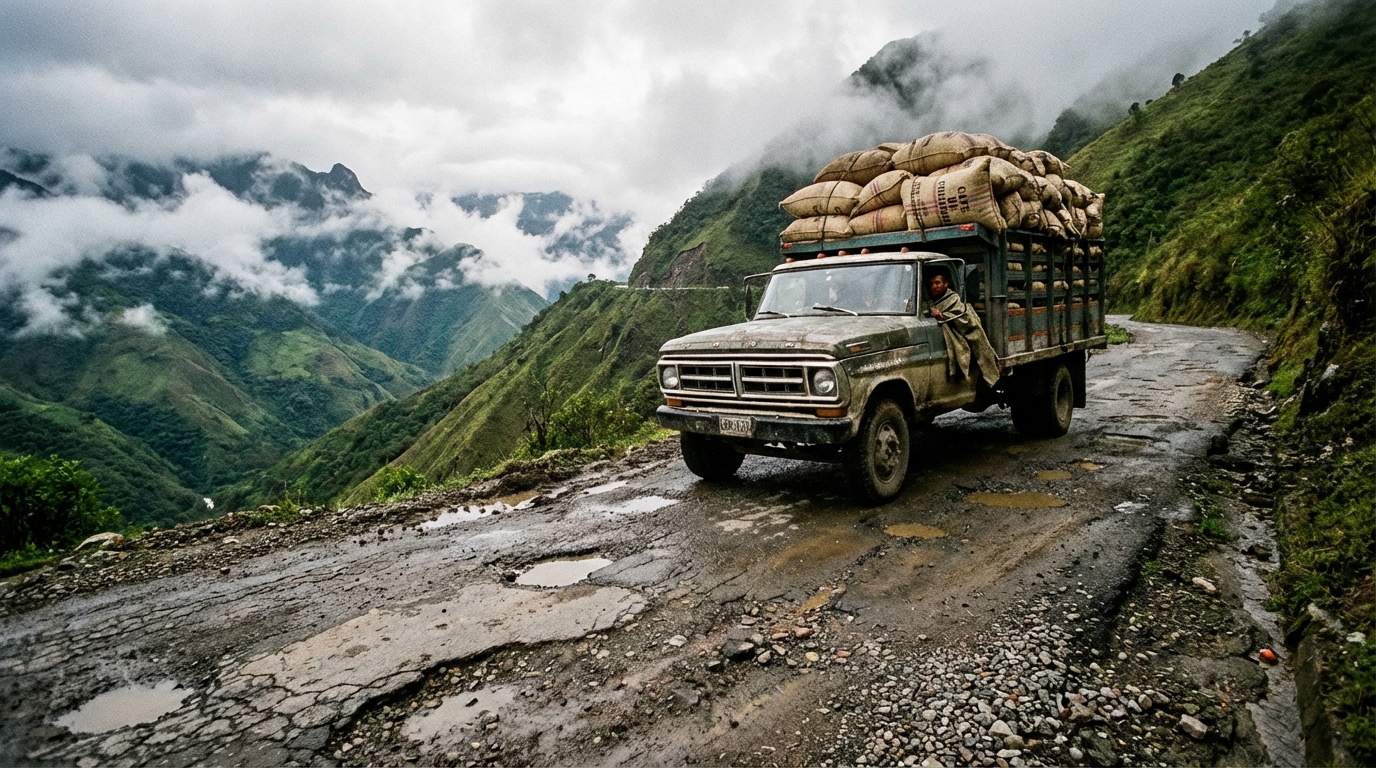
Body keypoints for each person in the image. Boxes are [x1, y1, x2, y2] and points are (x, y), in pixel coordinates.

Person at [926, 271, 1000, 388]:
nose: (934, 286)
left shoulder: (953, 300)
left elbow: (964, 319)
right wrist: (930, 310)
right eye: (931, 284)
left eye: (937, 283)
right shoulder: (929, 302)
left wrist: (944, 316)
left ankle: (989, 381)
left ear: (946, 284)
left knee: (978, 345)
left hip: (967, 332)